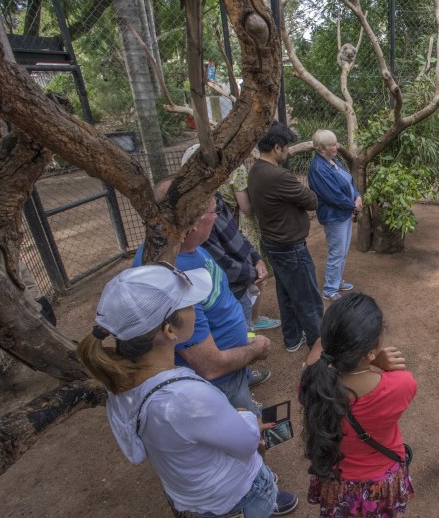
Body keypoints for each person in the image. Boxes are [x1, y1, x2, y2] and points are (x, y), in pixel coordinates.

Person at [77, 264, 298, 516]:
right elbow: (247, 443)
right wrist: (246, 417)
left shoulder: (120, 382)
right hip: (234, 495)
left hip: (192, 494)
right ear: (169, 330)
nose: (197, 308)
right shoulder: (186, 397)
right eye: (190, 304)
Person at [133, 180, 272, 414]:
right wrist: (256, 349)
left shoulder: (186, 247)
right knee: (249, 434)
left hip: (231, 366)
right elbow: (210, 366)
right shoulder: (173, 277)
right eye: (213, 210)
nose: (217, 216)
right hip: (217, 383)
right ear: (194, 223)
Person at [300, 293, 416, 517]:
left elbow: (317, 353)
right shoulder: (402, 384)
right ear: (371, 350)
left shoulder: (313, 384)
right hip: (380, 482)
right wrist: (375, 361)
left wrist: (364, 354)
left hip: (337, 481)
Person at [182, 144, 280, 332]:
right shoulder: (197, 217)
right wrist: (253, 273)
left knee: (244, 325)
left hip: (242, 276)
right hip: (231, 287)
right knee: (239, 334)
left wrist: (256, 259)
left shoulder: (215, 197)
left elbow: (237, 233)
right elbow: (220, 262)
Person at [248, 121, 324, 354]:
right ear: (277, 147)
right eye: (287, 146)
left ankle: (292, 338)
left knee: (287, 293)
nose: (289, 151)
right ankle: (319, 346)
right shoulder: (279, 176)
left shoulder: (255, 170)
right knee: (309, 299)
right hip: (290, 246)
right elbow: (312, 200)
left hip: (273, 242)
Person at [307, 129, 362, 302]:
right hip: (334, 216)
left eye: (335, 142)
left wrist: (357, 195)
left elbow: (349, 181)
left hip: (344, 212)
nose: (336, 146)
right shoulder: (318, 168)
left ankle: (337, 282)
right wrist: (353, 205)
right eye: (332, 144)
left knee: (343, 250)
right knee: (337, 252)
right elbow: (333, 195)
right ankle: (330, 289)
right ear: (321, 149)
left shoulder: (333, 160)